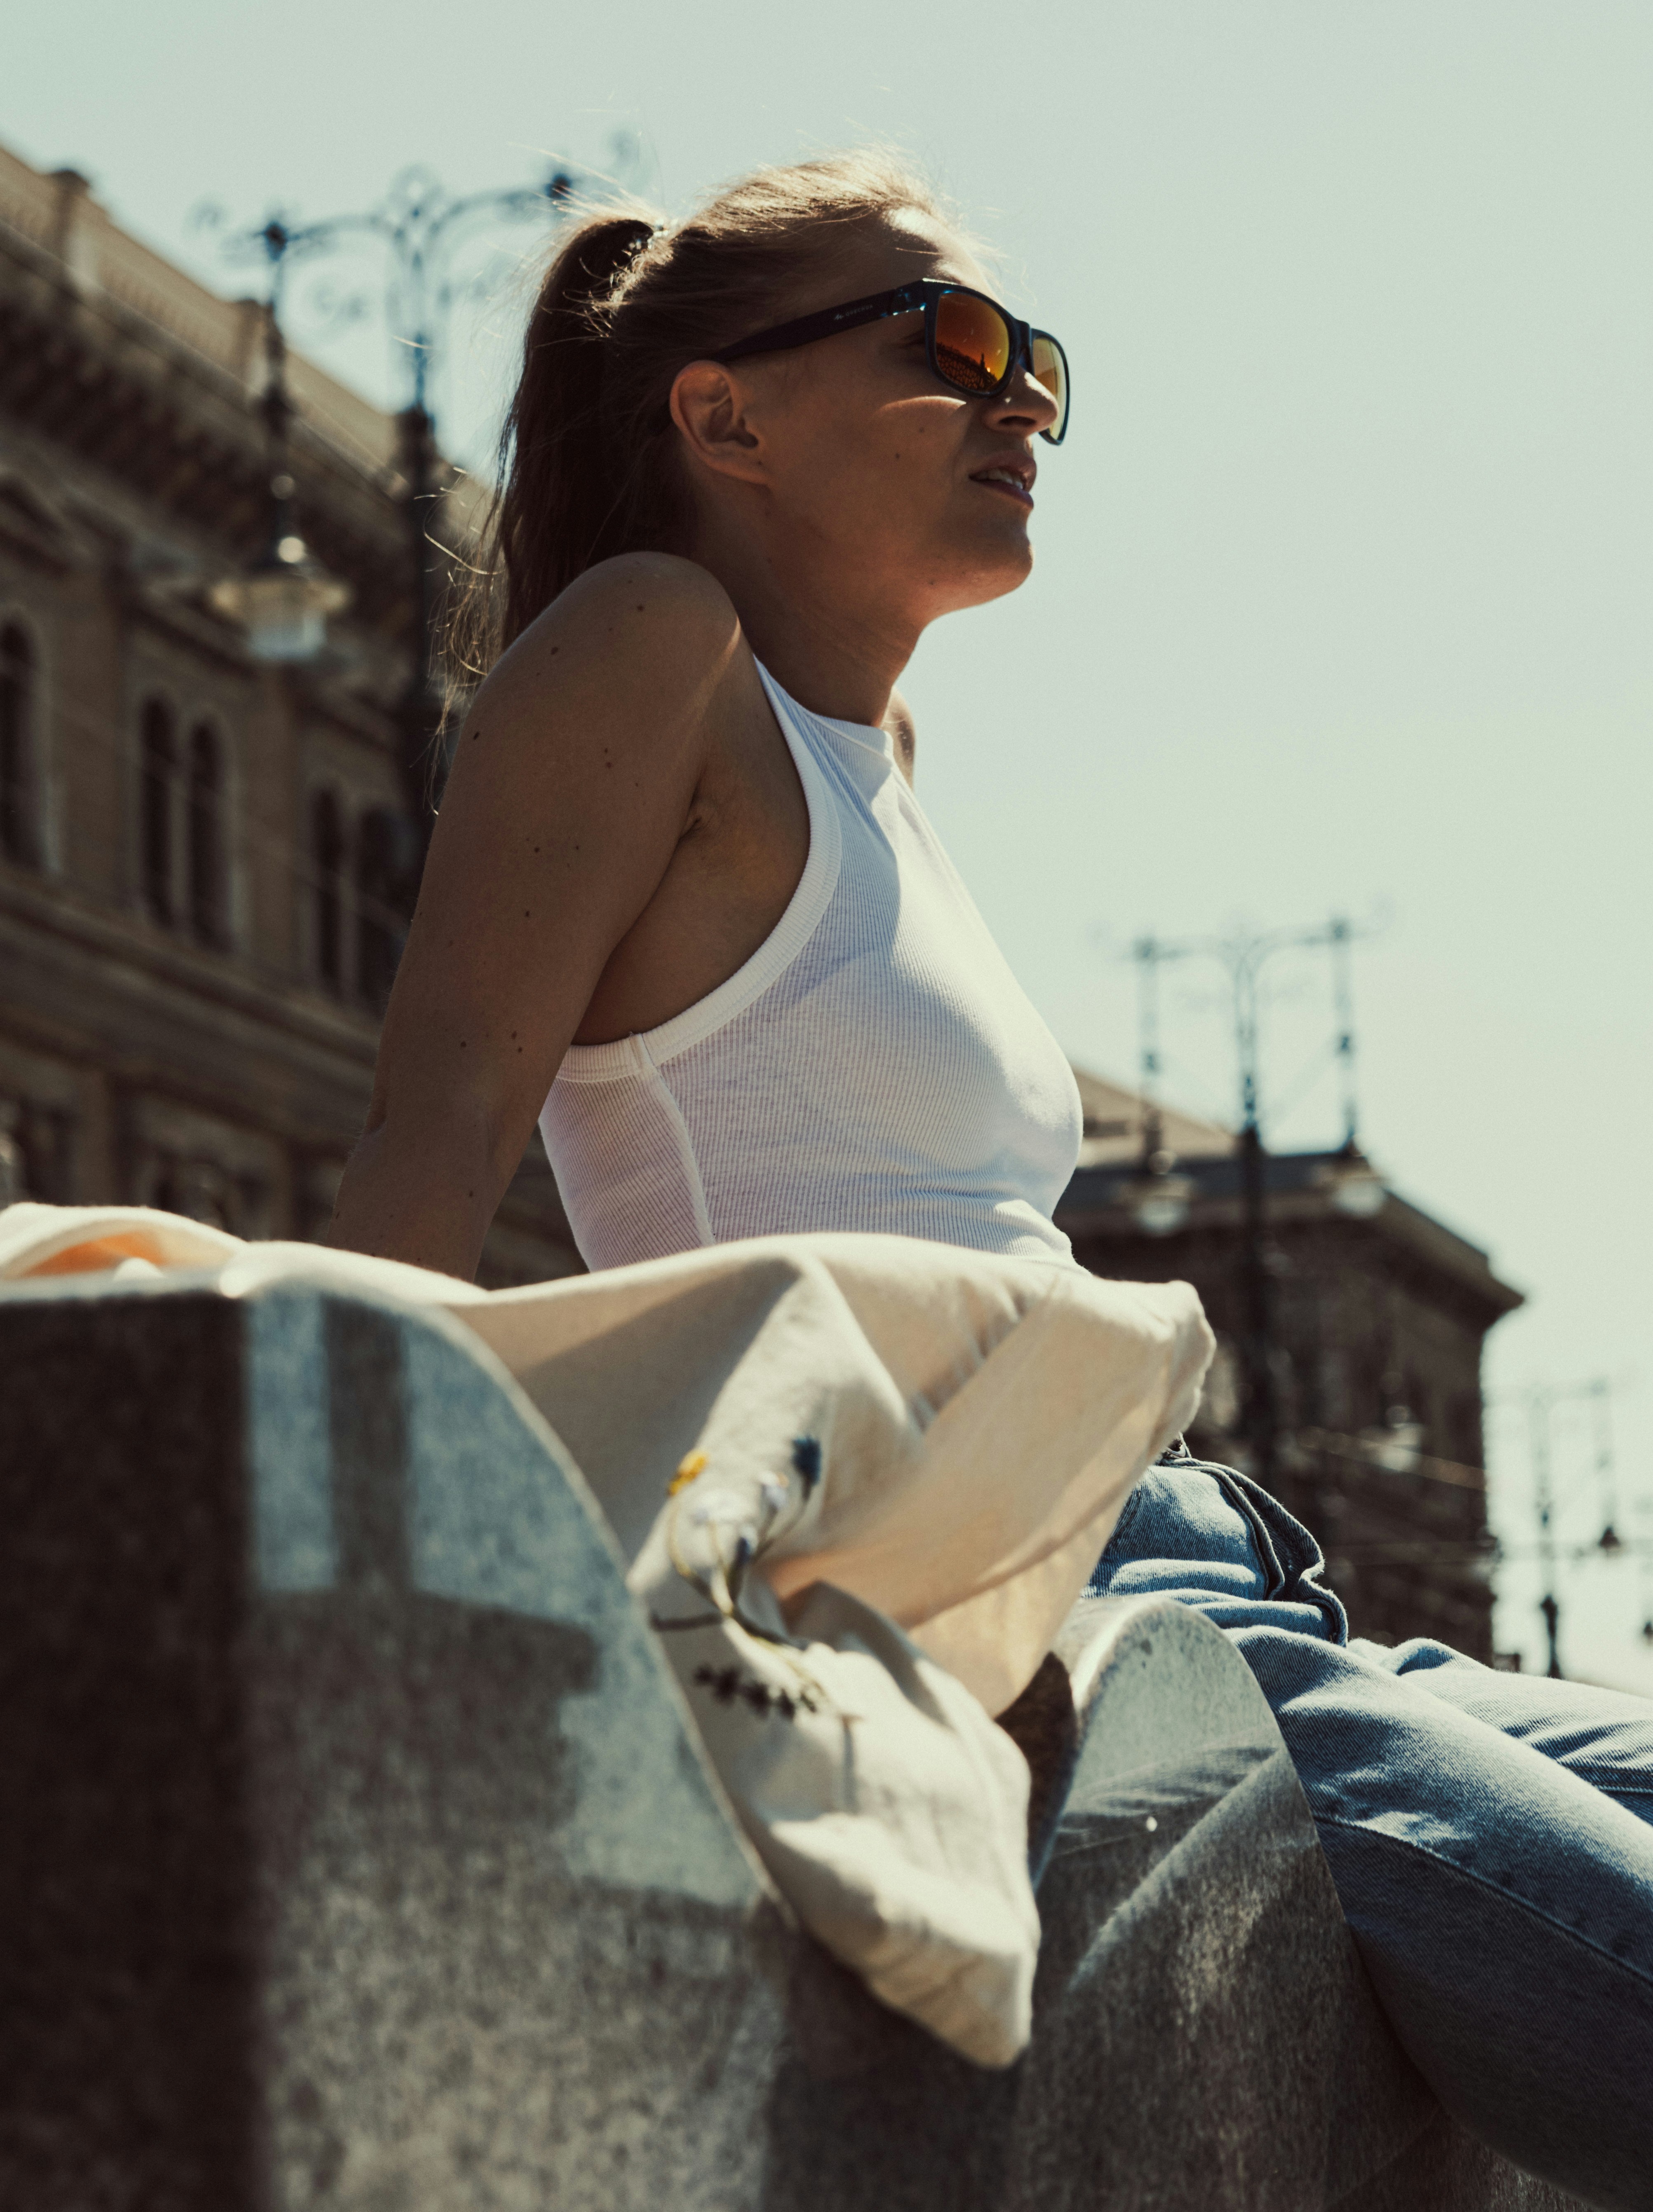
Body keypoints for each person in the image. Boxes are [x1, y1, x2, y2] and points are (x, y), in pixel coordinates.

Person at [328, 151, 1651, 2208]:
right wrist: (323, 1578)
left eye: (1039, 360)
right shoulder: (646, 645)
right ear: (723, 414)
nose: (1022, 401)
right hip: (1002, 1594)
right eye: (951, 346)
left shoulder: (882, 760)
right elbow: (440, 1124)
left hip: (1207, 1555)